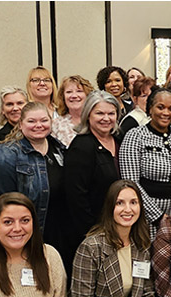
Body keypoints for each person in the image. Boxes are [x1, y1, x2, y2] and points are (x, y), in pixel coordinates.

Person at [0, 102, 67, 253]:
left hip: (59, 234)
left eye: (44, 120)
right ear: (20, 124)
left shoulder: (59, 149)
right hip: (26, 237)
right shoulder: (6, 155)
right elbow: (3, 204)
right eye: (31, 121)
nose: (38, 125)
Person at [62, 91, 123, 271]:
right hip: (93, 231)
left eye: (111, 113)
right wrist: (92, 234)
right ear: (88, 115)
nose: (106, 118)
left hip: (120, 225)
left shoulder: (120, 139)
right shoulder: (81, 146)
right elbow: (76, 197)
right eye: (100, 113)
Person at [120, 88, 171, 228]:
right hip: (146, 216)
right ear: (150, 108)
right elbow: (131, 183)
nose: (166, 113)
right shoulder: (135, 136)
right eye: (160, 107)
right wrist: (158, 217)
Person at [51, 75, 94, 147]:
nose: (74, 95)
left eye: (79, 91)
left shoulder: (97, 121)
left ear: (88, 95)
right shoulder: (56, 125)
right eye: (69, 92)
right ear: (63, 97)